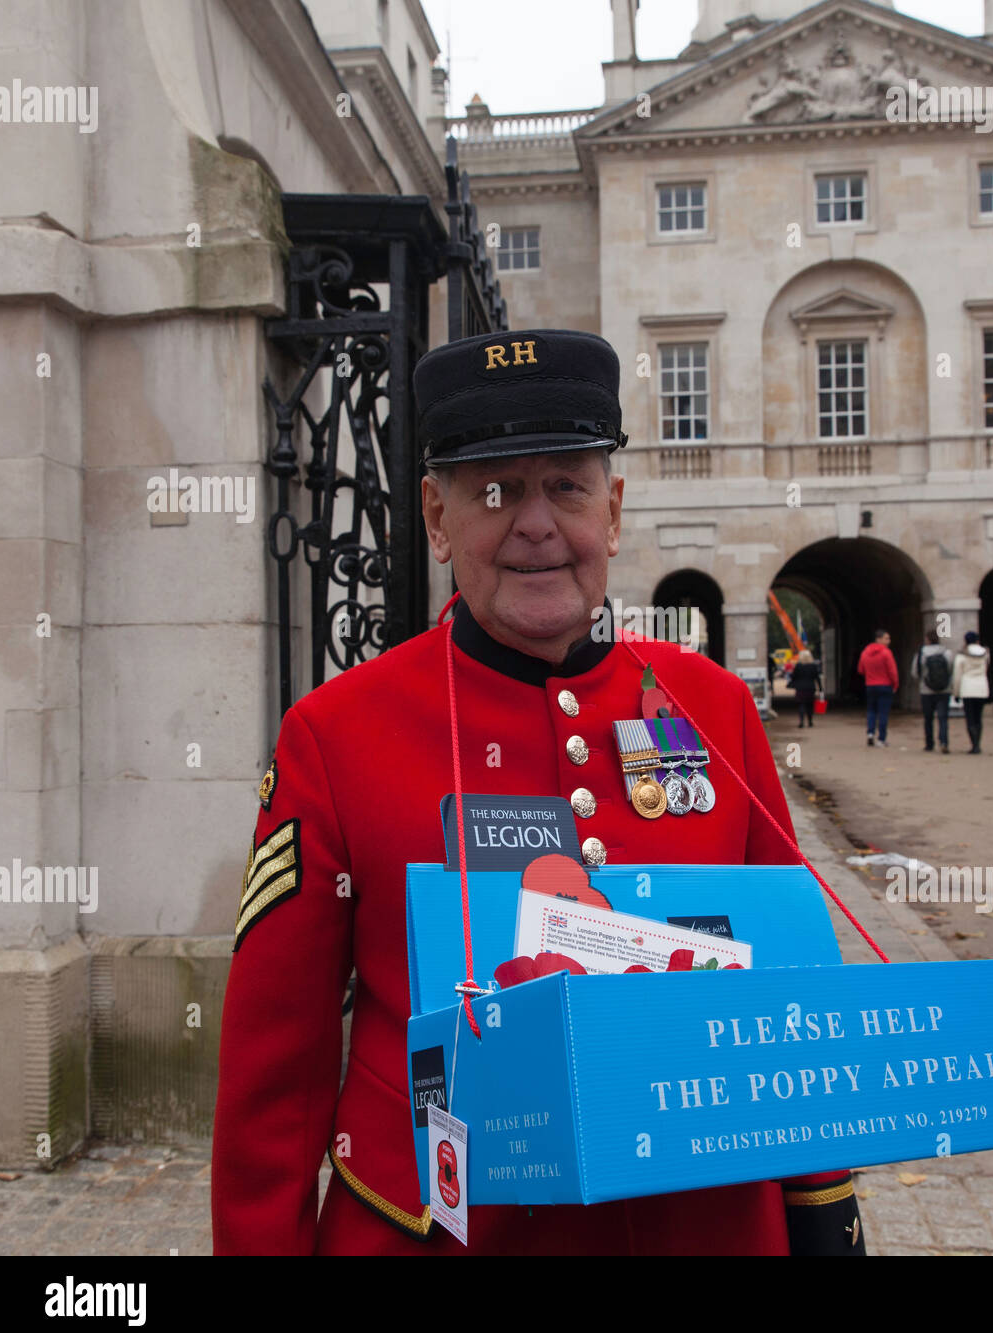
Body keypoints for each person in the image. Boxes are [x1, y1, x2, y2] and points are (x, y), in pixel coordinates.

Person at [211, 329, 862, 1257]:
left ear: (615, 508)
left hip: (702, 1227)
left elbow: (792, 1004)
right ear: (436, 518)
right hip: (439, 1229)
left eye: (566, 485)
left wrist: (823, 1220)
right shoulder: (335, 735)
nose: (535, 523)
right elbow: (277, 1074)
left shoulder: (713, 705)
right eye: (494, 491)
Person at [912, 628, 953, 754]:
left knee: (928, 718)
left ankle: (929, 744)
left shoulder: (921, 653)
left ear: (927, 639)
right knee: (943, 718)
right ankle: (944, 742)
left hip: (926, 690)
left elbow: (915, 672)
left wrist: (923, 680)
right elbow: (950, 670)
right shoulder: (947, 653)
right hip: (944, 690)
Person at [952, 630, 992, 754]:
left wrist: (956, 693)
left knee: (970, 718)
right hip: (981, 687)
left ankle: (974, 744)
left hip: (967, 688)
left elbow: (957, 676)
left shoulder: (962, 655)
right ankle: (978, 743)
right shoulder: (985, 653)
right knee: (978, 717)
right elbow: (986, 668)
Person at [857, 629, 898, 747]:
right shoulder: (886, 653)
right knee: (883, 713)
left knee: (871, 711)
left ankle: (870, 733)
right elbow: (892, 671)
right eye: (886, 638)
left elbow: (860, 669)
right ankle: (881, 739)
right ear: (878, 639)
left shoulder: (865, 652)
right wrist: (895, 684)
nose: (888, 641)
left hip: (870, 685)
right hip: (885, 686)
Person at [787, 647, 823, 728]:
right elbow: (817, 677)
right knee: (810, 705)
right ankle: (810, 722)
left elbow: (793, 677)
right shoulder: (813, 666)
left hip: (800, 688)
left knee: (801, 705)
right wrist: (820, 688)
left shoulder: (798, 666)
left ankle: (801, 722)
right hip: (810, 687)